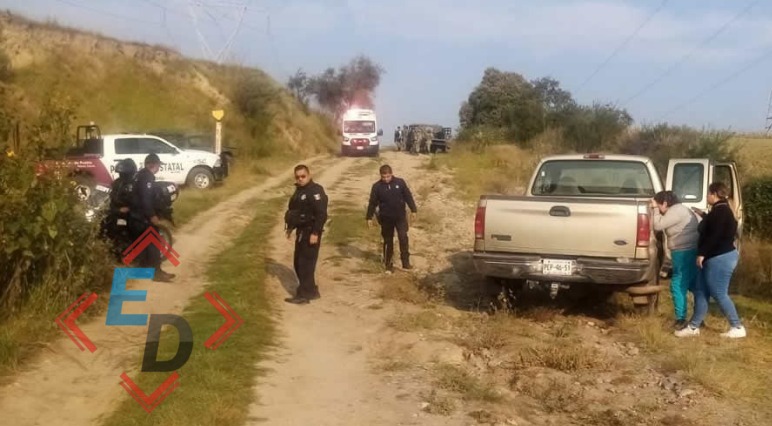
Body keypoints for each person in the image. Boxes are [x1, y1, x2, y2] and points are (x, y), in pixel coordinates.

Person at [675, 182, 745, 338]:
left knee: (719, 292)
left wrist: (702, 253)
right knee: (701, 290)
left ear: (714, 194)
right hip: (715, 256)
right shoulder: (720, 210)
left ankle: (737, 326)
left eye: (707, 194)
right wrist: (704, 215)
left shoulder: (721, 212)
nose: (706, 196)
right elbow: (715, 227)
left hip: (720, 258)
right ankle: (694, 327)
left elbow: (715, 235)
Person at [650, 190, 699, 330]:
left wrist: (654, 210)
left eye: (659, 205)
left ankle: (681, 319)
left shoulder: (675, 210)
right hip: (690, 250)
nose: (659, 209)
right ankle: (698, 317)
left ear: (665, 203)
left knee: (677, 285)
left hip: (683, 252)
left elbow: (658, 225)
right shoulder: (682, 209)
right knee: (693, 285)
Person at [284, 164, 328, 304]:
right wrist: (290, 227)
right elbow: (293, 211)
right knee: (298, 262)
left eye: (303, 176)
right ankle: (311, 291)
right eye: (298, 177)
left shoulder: (316, 191)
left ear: (309, 175)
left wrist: (316, 232)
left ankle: (304, 295)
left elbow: (321, 214)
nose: (300, 179)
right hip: (301, 231)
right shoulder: (299, 191)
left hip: (311, 231)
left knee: (305, 264)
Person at [129, 153, 176, 282]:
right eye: (158, 165)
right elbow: (146, 199)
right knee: (154, 242)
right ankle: (157, 273)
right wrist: (152, 215)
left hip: (135, 216)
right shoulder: (147, 177)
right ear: (152, 164)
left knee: (144, 242)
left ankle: (143, 269)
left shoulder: (139, 175)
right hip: (143, 216)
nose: (159, 168)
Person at [366, 164, 417, 273]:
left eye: (388, 176)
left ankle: (406, 263)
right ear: (380, 176)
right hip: (386, 218)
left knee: (403, 238)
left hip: (400, 217)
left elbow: (408, 196)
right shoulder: (377, 187)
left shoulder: (400, 182)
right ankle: (388, 264)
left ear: (391, 174)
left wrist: (413, 210)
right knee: (388, 241)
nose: (386, 179)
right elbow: (372, 203)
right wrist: (369, 217)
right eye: (383, 177)